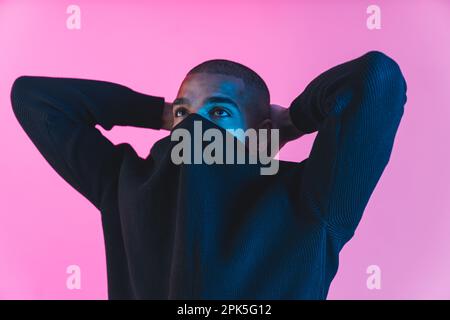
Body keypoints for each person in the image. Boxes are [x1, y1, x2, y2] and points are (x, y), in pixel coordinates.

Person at [10, 50, 407, 299]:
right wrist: (160, 112)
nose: (192, 126)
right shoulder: (125, 183)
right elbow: (36, 99)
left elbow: (376, 79)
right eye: (183, 114)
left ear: (256, 132)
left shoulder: (312, 198)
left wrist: (293, 122)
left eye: (219, 113)